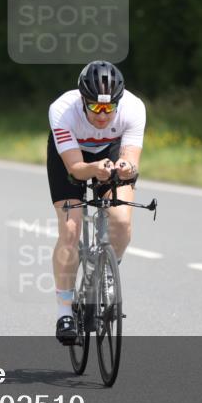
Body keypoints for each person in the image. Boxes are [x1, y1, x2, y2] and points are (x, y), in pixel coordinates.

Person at [46, 60, 145, 345]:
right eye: (96, 108)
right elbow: (75, 169)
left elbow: (132, 161)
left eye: (109, 108)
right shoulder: (62, 110)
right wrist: (94, 170)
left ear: (119, 103)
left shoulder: (134, 108)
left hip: (112, 150)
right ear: (83, 101)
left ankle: (108, 273)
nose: (103, 115)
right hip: (72, 157)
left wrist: (125, 168)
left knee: (122, 221)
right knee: (70, 231)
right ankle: (64, 310)